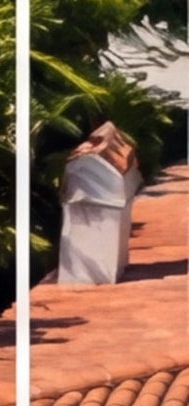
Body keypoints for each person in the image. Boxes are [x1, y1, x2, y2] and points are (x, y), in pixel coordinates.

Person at [61, 120, 143, 287]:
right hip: (98, 199)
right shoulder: (85, 161)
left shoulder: (84, 161)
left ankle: (99, 274)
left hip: (99, 198)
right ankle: (100, 274)